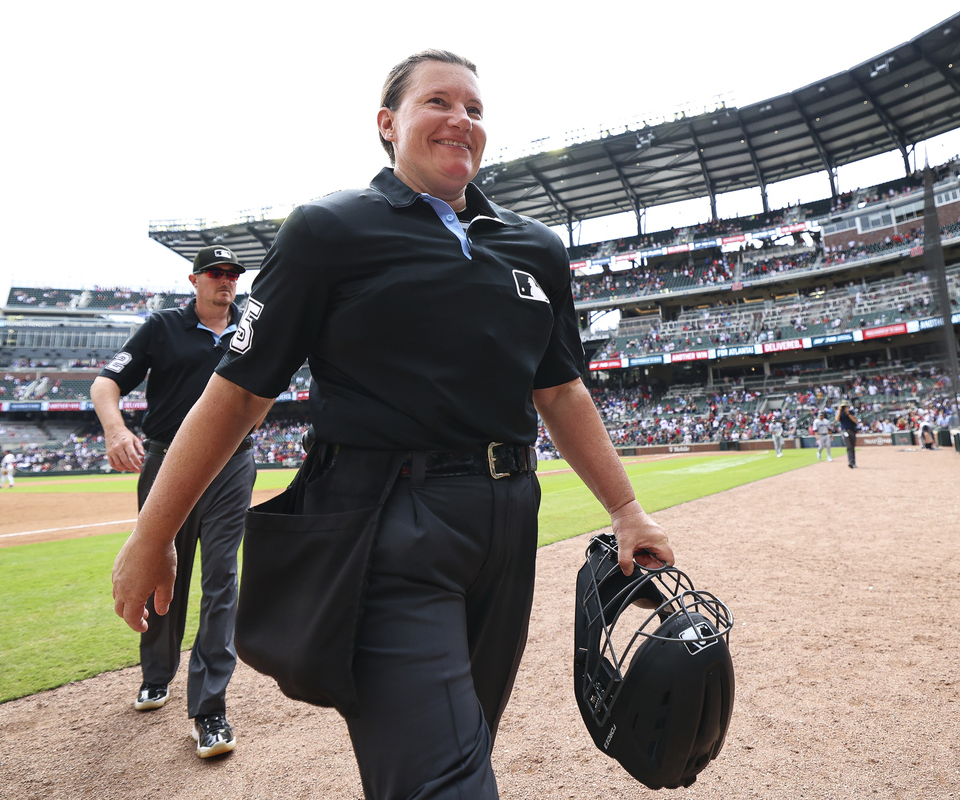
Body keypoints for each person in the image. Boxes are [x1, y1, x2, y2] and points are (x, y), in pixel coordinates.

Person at [109, 50, 672, 799]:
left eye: (475, 109)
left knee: (465, 740)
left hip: (508, 518)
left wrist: (626, 510)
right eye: (438, 101)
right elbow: (239, 394)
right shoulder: (328, 230)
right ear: (388, 123)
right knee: (443, 778)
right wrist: (152, 536)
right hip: (386, 521)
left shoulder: (535, 248)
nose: (461, 120)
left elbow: (562, 392)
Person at [91, 245, 258, 758]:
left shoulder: (252, 323)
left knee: (221, 577)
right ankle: (156, 674)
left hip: (233, 460)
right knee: (164, 568)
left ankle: (210, 708)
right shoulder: (162, 326)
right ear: (194, 279)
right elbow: (106, 383)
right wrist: (116, 430)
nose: (226, 280)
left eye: (233, 273)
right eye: (216, 272)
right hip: (166, 461)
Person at [837, 402, 859, 469]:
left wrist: (848, 413)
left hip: (852, 430)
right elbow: (837, 419)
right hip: (845, 431)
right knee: (849, 447)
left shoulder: (851, 412)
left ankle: (853, 462)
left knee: (852, 447)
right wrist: (839, 410)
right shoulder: (840, 413)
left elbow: (855, 420)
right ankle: (850, 462)